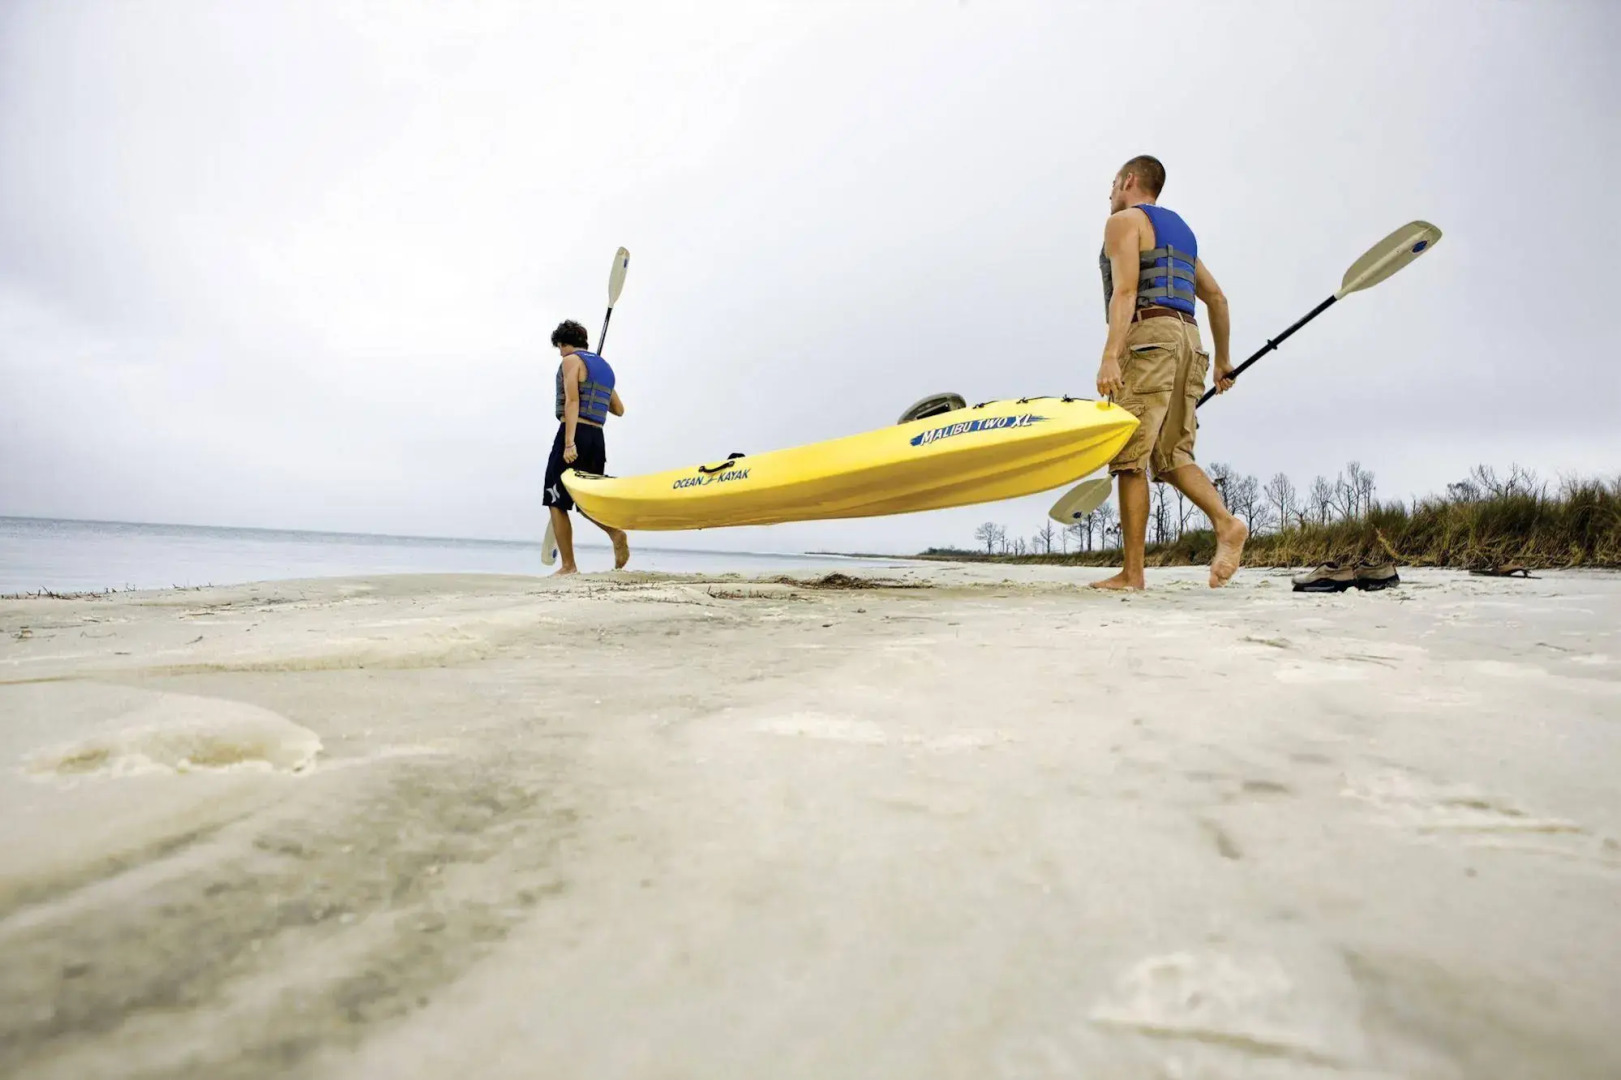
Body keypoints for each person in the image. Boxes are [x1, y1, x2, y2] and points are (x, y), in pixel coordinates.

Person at [1091, 154, 1248, 590]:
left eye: (1112, 183)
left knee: (1129, 457)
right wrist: (1222, 360)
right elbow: (1216, 299)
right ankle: (1226, 523)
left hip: (1149, 337)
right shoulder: (1181, 234)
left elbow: (1124, 292)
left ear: (1130, 180)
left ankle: (1133, 574)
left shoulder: (1123, 222)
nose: (1109, 193)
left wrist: (1110, 355)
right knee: (1173, 456)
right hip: (1190, 340)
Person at [544, 319, 629, 575]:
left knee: (555, 499)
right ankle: (615, 534)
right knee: (584, 501)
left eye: (560, 347)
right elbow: (618, 409)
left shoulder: (570, 360)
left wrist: (569, 443)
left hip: (574, 433)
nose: (560, 353)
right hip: (596, 438)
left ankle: (568, 566)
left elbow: (572, 401)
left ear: (564, 343)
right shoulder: (604, 367)